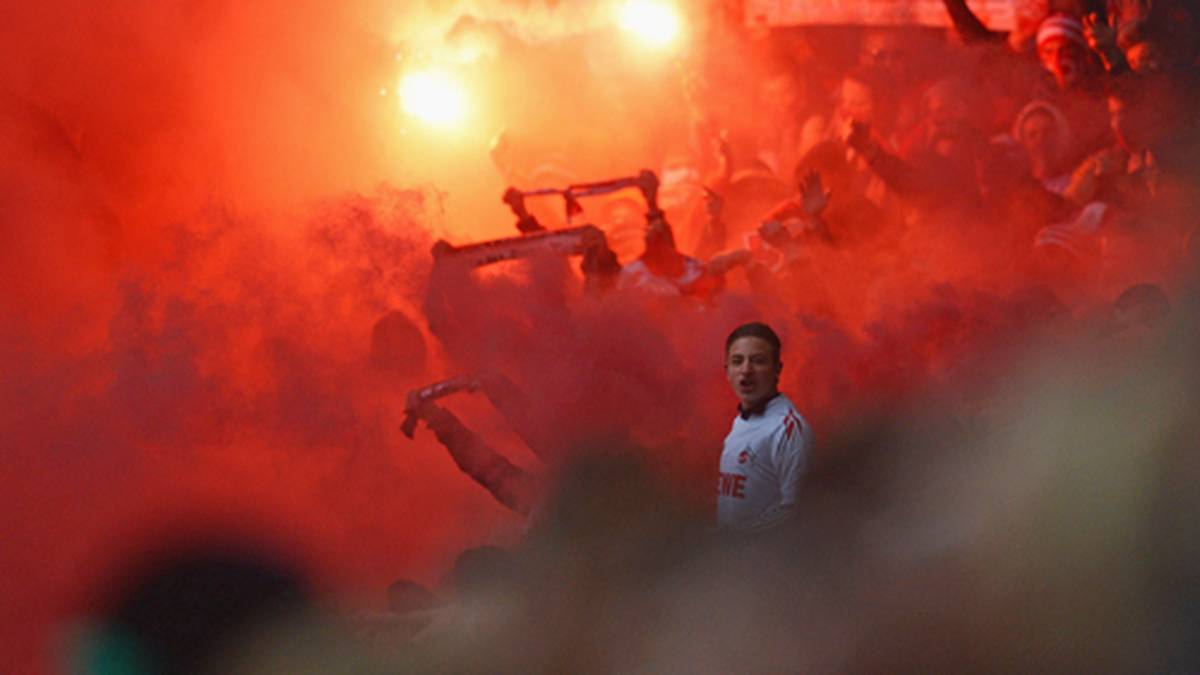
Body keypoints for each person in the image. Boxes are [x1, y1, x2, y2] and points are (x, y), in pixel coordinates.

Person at [717, 322, 812, 532]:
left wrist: (740, 536)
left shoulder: (788, 428)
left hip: (762, 552)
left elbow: (797, 510)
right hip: (729, 551)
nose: (746, 370)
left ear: (777, 369)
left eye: (758, 361)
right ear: (727, 371)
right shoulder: (739, 423)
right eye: (737, 361)